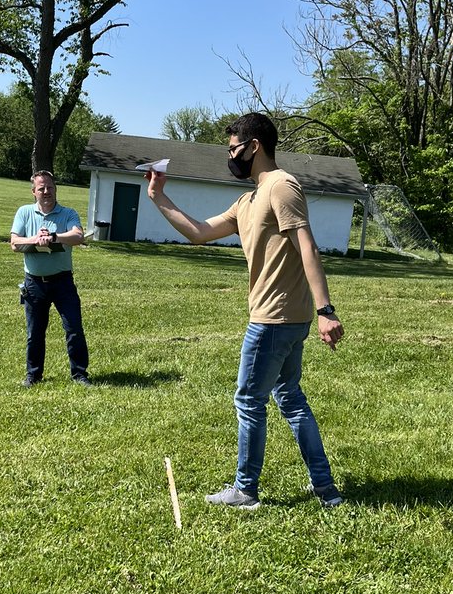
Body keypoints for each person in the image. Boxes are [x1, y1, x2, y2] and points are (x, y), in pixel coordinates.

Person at [145, 112, 345, 510]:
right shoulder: (248, 199)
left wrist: (326, 309)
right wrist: (158, 198)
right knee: (290, 397)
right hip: (287, 318)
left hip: (273, 318)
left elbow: (307, 246)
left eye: (234, 149)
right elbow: (200, 233)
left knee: (249, 400)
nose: (231, 157)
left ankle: (246, 489)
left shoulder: (281, 186)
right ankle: (325, 489)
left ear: (254, 146)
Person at [11, 170, 91, 387]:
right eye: (41, 188)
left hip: (63, 282)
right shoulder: (24, 212)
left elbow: (78, 236)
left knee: (74, 328)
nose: (46, 191)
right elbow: (15, 243)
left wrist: (54, 236)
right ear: (33, 192)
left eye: (50, 187)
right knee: (34, 333)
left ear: (56, 189)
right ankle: (33, 375)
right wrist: (36, 239)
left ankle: (80, 374)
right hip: (34, 283)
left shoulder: (68, 213)